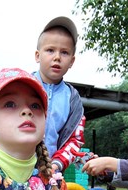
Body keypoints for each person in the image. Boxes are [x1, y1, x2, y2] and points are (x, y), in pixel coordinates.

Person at [34, 16, 86, 173]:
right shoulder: (22, 86)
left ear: (72, 61)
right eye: (50, 50)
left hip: (50, 172)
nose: (57, 57)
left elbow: (75, 139)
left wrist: (56, 164)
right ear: (37, 55)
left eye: (64, 52)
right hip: (14, 171)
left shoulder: (72, 99)